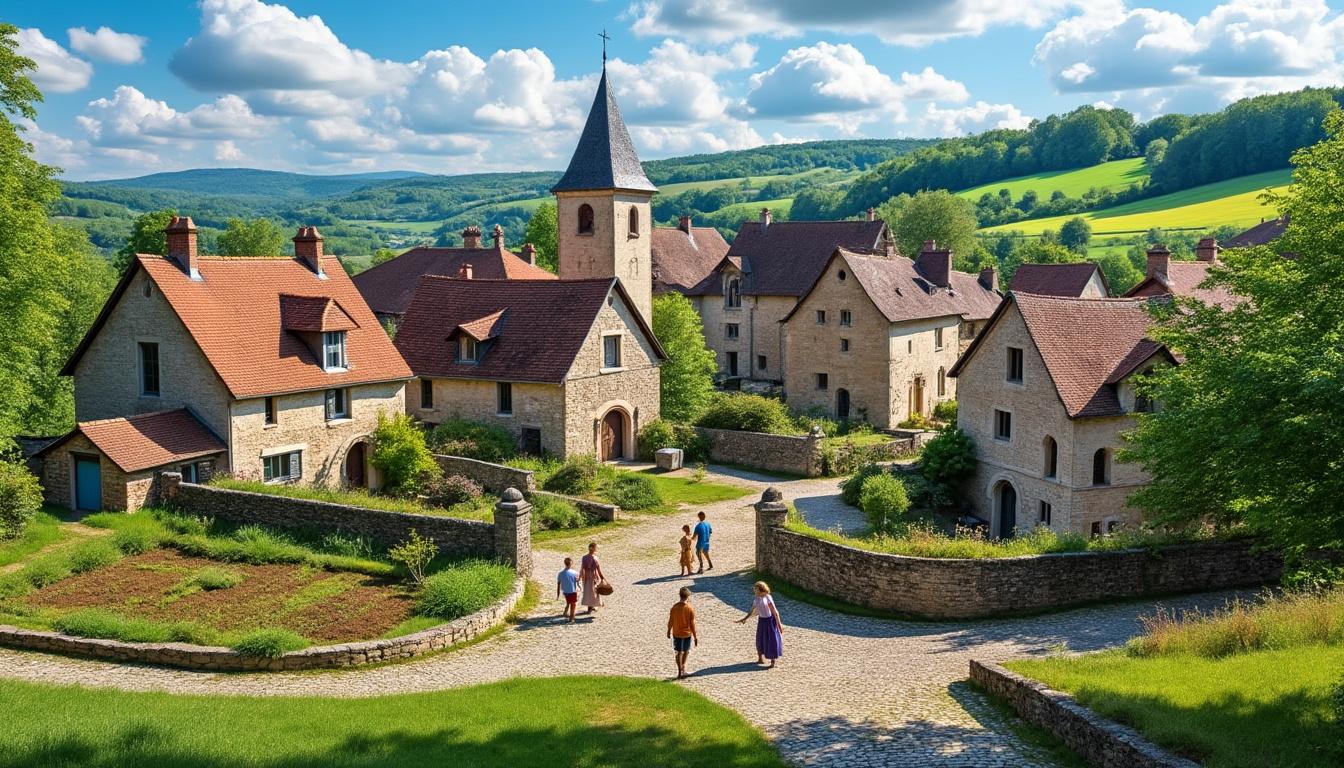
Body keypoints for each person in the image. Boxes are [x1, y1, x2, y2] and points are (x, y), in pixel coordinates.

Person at [737, 581, 783, 667]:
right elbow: (753, 611)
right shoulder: (756, 599)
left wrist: (779, 625)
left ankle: (772, 661)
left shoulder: (767, 598)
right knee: (760, 639)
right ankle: (760, 658)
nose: (755, 591)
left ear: (761, 590)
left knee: (771, 640)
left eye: (756, 589)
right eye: (754, 589)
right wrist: (745, 619)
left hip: (770, 622)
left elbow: (775, 612)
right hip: (761, 621)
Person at [666, 586, 698, 678]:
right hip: (687, 633)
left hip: (676, 633)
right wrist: (695, 636)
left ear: (680, 595)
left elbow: (671, 620)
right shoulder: (690, 609)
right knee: (686, 651)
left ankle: (679, 670)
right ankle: (683, 667)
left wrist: (668, 631)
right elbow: (692, 624)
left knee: (678, 652)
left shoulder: (674, 607)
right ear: (688, 597)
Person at [579, 541, 605, 614]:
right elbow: (598, 569)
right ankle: (594, 605)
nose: (596, 549)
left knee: (588, 592)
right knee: (595, 591)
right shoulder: (595, 558)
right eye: (596, 547)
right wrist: (602, 577)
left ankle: (590, 607)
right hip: (593, 576)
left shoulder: (584, 557)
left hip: (586, 577)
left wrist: (580, 577)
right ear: (593, 548)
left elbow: (582, 568)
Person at [556, 557, 580, 623]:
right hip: (573, 590)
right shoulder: (575, 573)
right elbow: (577, 581)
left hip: (565, 591)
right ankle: (571, 618)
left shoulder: (560, 573)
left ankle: (566, 612)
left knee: (569, 601)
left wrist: (558, 594)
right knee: (573, 604)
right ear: (571, 563)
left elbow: (558, 583)